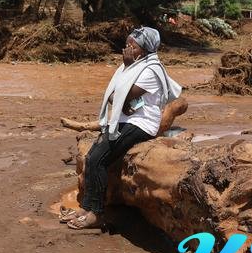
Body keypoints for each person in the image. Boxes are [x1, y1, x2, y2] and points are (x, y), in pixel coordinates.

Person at [60, 27, 182, 230]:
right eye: (126, 44)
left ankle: (96, 214)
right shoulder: (135, 65)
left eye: (131, 45)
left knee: (97, 159)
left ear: (142, 50)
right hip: (127, 120)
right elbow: (112, 96)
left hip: (142, 124)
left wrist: (125, 74)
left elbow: (119, 94)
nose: (126, 49)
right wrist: (123, 92)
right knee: (92, 157)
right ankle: (86, 208)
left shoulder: (150, 69)